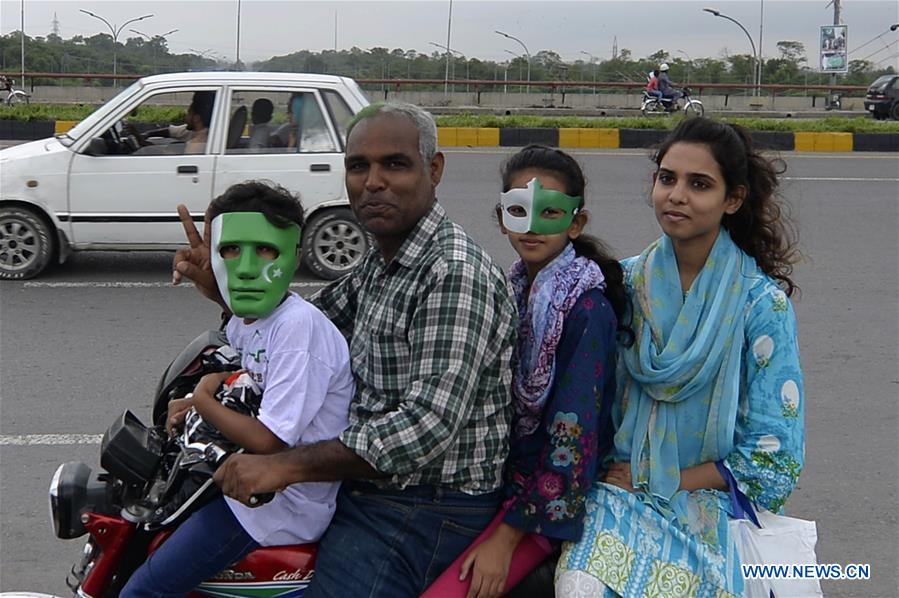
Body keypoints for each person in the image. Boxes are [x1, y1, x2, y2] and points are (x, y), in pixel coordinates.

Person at [171, 101, 519, 597]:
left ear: (433, 169)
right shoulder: (381, 260)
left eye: (394, 164)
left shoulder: (452, 274)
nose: (372, 181)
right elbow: (300, 327)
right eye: (359, 166)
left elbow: (425, 425)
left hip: (426, 504)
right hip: (368, 480)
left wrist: (282, 466)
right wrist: (226, 289)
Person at [555, 117, 805, 597]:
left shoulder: (760, 305)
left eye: (699, 184)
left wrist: (659, 478)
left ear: (733, 199)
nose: (677, 195)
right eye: (667, 178)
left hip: (710, 500)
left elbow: (775, 458)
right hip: (618, 495)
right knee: (580, 588)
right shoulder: (622, 286)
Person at [122, 181, 355, 596]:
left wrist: (202, 401)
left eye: (265, 250)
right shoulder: (252, 320)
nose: (246, 267)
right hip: (247, 482)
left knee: (142, 590)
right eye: (230, 250)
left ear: (295, 256)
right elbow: (248, 376)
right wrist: (195, 401)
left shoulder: (297, 329)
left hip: (279, 504)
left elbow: (269, 438)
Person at [421, 145, 628, 598]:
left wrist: (507, 536)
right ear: (501, 217)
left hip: (543, 503)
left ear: (576, 223)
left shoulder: (586, 308)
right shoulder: (511, 287)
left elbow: (573, 438)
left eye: (550, 212)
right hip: (498, 482)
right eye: (519, 211)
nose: (532, 226)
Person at [131, 90, 214, 154]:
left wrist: (142, 141)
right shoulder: (195, 132)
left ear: (196, 118)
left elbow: (167, 154)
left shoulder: (196, 145)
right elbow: (171, 131)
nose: (185, 116)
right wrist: (146, 135)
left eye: (188, 113)